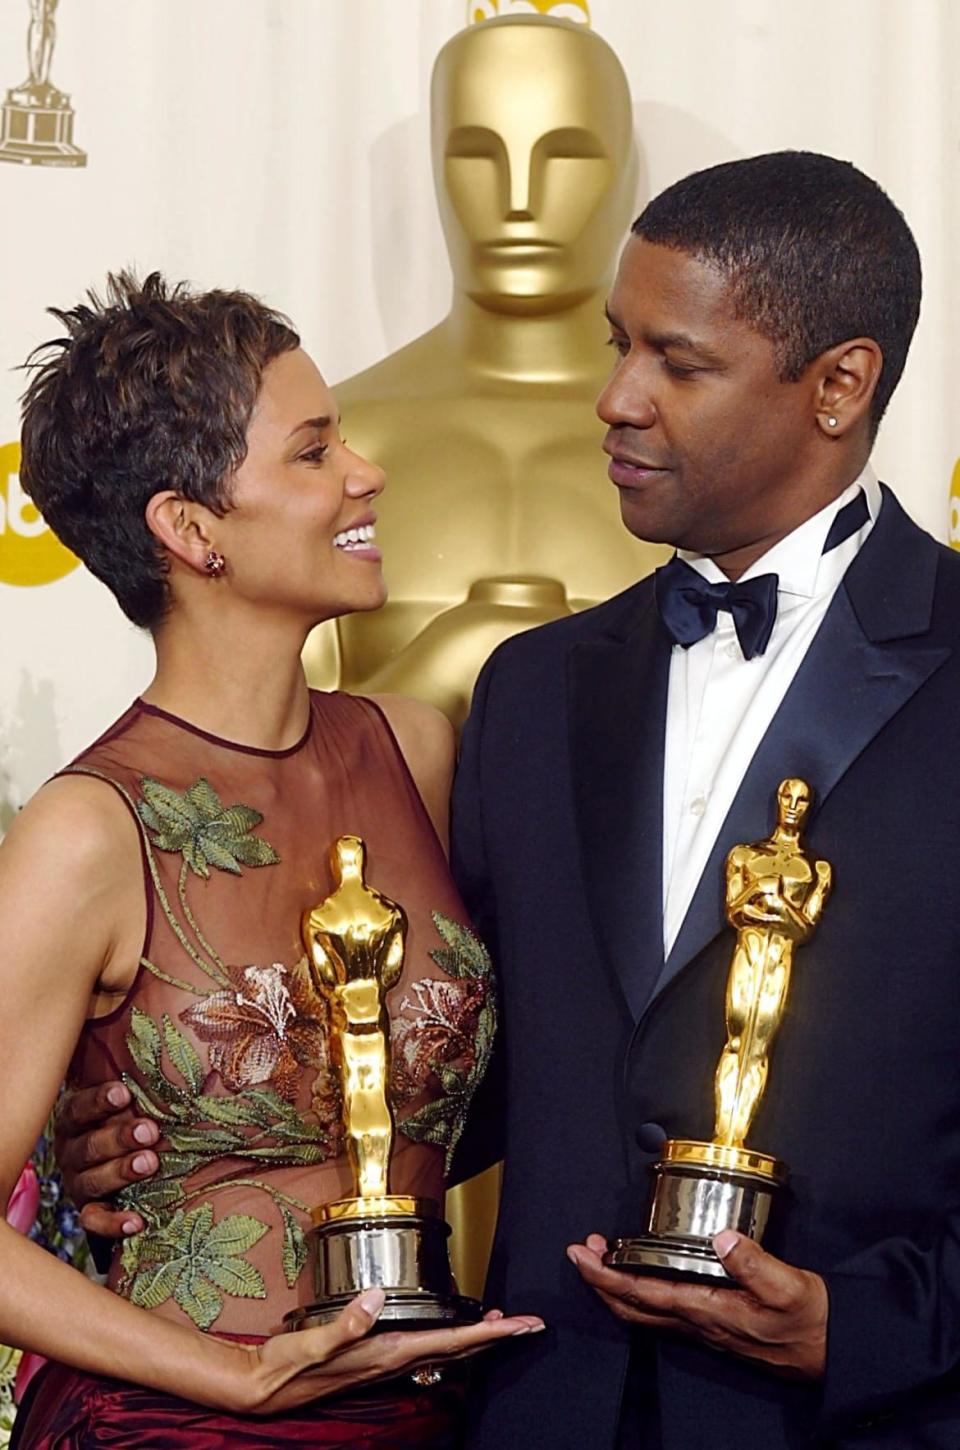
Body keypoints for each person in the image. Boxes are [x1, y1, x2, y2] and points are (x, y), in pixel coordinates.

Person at [59, 150, 954, 1449]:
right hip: (531, 1412)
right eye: (614, 346)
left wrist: (862, 1323)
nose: (613, 400)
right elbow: (463, 1062)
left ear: (840, 385)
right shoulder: (534, 694)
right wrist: (173, 1132)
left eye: (676, 363)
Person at [0, 272, 542, 1449]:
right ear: (191, 530)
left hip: (436, 1414)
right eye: (311, 453)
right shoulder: (90, 831)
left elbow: (486, 1087)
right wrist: (235, 1376)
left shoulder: (415, 748)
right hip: (181, 1427)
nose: (367, 471)